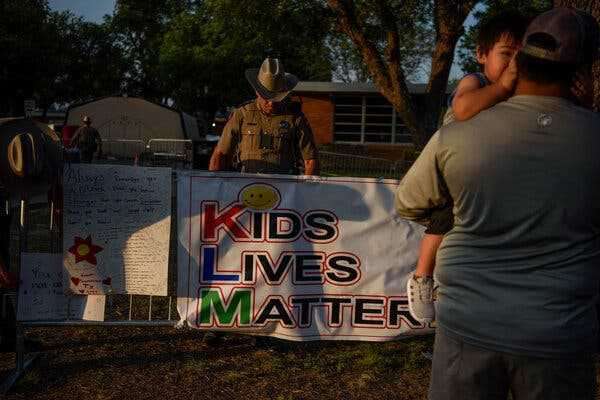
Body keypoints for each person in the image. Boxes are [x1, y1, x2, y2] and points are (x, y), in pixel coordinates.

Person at [396, 7, 600, 399]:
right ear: (581, 71)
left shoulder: (459, 135)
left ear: (518, 61)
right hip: (559, 334)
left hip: (467, 326)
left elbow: (409, 203)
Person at [407, 11, 531, 323]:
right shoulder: (476, 82)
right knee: (446, 217)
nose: (514, 62)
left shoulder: (522, 92)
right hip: (457, 173)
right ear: (481, 55)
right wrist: (502, 87)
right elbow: (462, 109)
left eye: (522, 54)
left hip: (496, 176)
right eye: (506, 54)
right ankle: (422, 276)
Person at [209, 57, 319, 176]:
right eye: (267, 98)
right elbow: (220, 154)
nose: (271, 104)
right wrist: (215, 187)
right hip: (246, 186)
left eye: (277, 98)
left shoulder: (296, 118)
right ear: (257, 92)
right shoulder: (242, 114)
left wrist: (306, 190)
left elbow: (310, 160)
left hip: (284, 189)